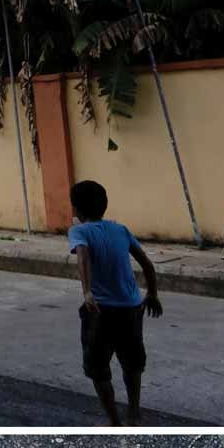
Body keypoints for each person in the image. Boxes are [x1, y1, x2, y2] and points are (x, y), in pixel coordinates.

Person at [68, 179, 163, 427]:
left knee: (98, 369)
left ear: (76, 209)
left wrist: (87, 292)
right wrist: (152, 294)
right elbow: (147, 264)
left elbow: (83, 257)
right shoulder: (121, 230)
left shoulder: (78, 231)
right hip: (132, 308)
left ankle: (114, 422)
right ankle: (134, 414)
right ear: (105, 205)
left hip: (100, 310)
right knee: (132, 363)